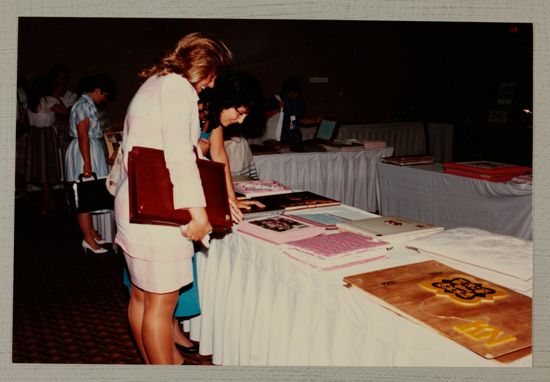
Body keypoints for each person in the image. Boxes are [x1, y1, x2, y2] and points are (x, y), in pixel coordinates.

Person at [114, 32, 232, 365]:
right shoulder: (178, 90)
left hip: (136, 204)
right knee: (161, 306)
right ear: (203, 68)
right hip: (162, 215)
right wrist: (199, 216)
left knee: (141, 297)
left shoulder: (154, 82)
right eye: (212, 77)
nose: (210, 86)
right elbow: (179, 158)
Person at [199, 72, 266, 222]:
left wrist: (233, 199)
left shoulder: (214, 118)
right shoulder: (196, 110)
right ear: (226, 101)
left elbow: (220, 156)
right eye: (240, 113)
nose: (241, 121)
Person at [64, 74, 116, 253]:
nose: (104, 99)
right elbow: (83, 135)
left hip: (88, 148)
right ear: (97, 90)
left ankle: (91, 232)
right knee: (83, 197)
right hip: (84, 150)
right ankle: (87, 239)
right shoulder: (84, 105)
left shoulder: (85, 104)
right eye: (104, 95)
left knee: (89, 194)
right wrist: (87, 163)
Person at [24, 74, 64, 214]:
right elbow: (64, 113)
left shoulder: (30, 100)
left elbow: (24, 120)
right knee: (48, 172)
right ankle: (45, 206)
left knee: (42, 171)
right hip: (45, 135)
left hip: (34, 135)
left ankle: (49, 201)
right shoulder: (49, 100)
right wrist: (59, 99)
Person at [265, 76, 322, 148]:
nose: (296, 94)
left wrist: (314, 121)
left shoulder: (299, 102)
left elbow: (301, 120)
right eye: (294, 92)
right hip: (278, 141)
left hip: (295, 139)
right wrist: (279, 110)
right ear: (291, 91)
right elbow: (265, 115)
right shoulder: (276, 99)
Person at [48, 64, 77, 160]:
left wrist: (56, 97)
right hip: (53, 132)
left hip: (65, 133)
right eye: (60, 78)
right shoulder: (48, 97)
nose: (62, 81)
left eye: (64, 78)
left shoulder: (71, 96)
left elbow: (66, 115)